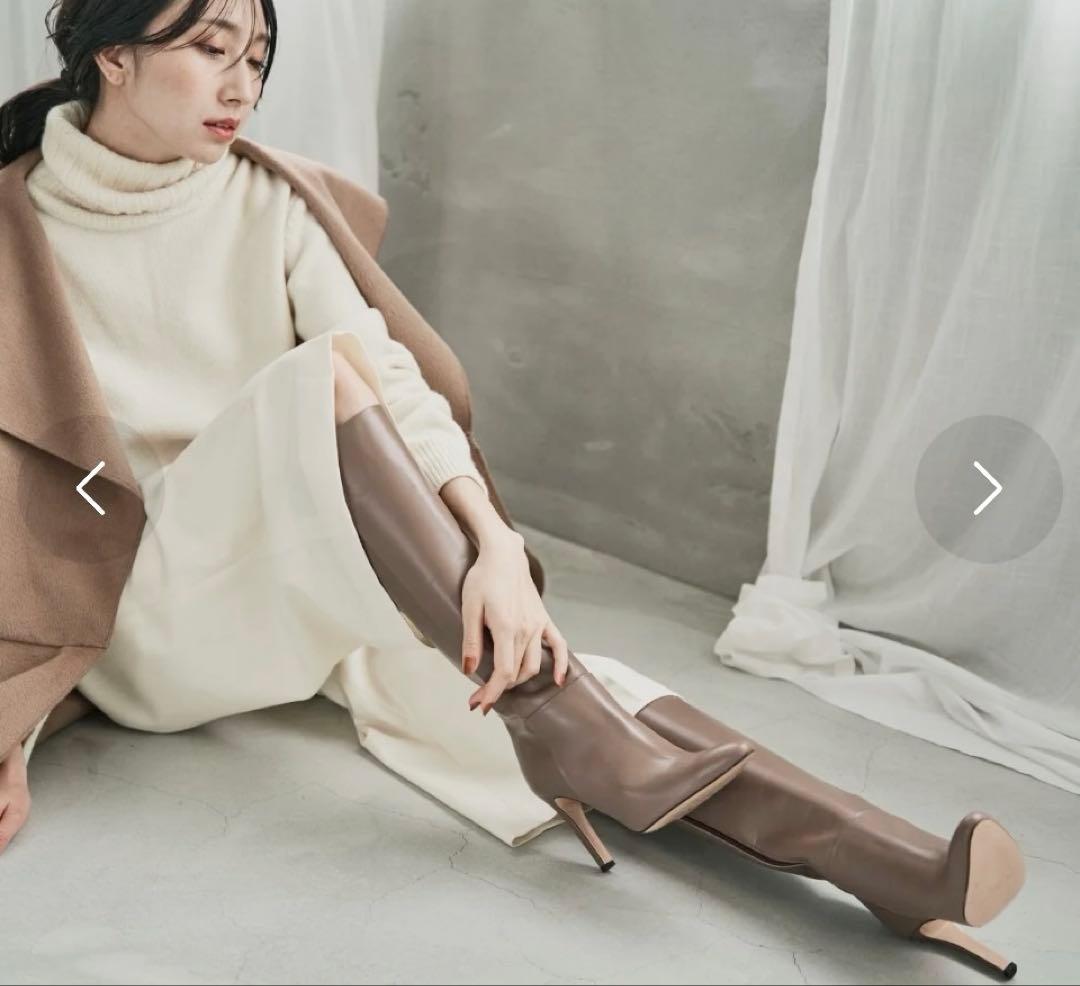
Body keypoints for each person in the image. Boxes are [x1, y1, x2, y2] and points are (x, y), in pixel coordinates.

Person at [0, 0, 1024, 977]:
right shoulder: (16, 228)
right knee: (329, 384)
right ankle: (570, 731)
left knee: (565, 670)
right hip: (148, 610)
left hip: (291, 577)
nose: (242, 86)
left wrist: (492, 543)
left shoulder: (269, 201)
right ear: (113, 53)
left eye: (256, 58)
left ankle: (888, 867)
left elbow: (392, 378)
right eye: (211, 48)